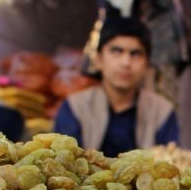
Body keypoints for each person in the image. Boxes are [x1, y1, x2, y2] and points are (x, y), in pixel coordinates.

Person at [53, 14, 179, 156]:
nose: (126, 62)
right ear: (99, 60)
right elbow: (64, 162)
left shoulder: (162, 112)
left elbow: (171, 165)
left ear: (147, 65)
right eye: (116, 51)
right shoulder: (75, 107)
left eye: (135, 54)